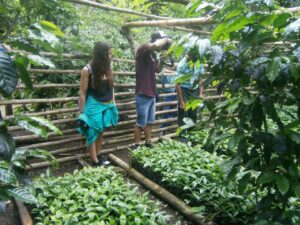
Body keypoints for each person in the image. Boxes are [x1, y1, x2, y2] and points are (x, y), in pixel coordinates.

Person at [77, 41, 118, 167]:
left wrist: (113, 103)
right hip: (93, 104)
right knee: (92, 132)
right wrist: (81, 111)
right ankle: (94, 161)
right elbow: (82, 92)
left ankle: (98, 155)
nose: (110, 56)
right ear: (101, 54)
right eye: (108, 53)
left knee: (100, 131)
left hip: (107, 103)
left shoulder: (109, 68)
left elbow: (112, 88)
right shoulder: (87, 70)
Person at [133, 31, 172, 149]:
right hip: (143, 92)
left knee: (150, 122)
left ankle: (148, 143)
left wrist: (162, 61)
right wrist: (167, 40)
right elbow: (155, 45)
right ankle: (136, 145)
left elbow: (157, 70)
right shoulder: (144, 48)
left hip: (151, 92)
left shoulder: (153, 55)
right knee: (140, 123)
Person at [176, 46, 205, 128]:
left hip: (194, 89)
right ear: (188, 55)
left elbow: (201, 79)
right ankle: (182, 137)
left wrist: (200, 93)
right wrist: (181, 101)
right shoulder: (182, 65)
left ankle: (192, 133)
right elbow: (177, 84)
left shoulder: (199, 63)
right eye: (189, 55)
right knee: (183, 111)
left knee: (193, 112)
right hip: (184, 90)